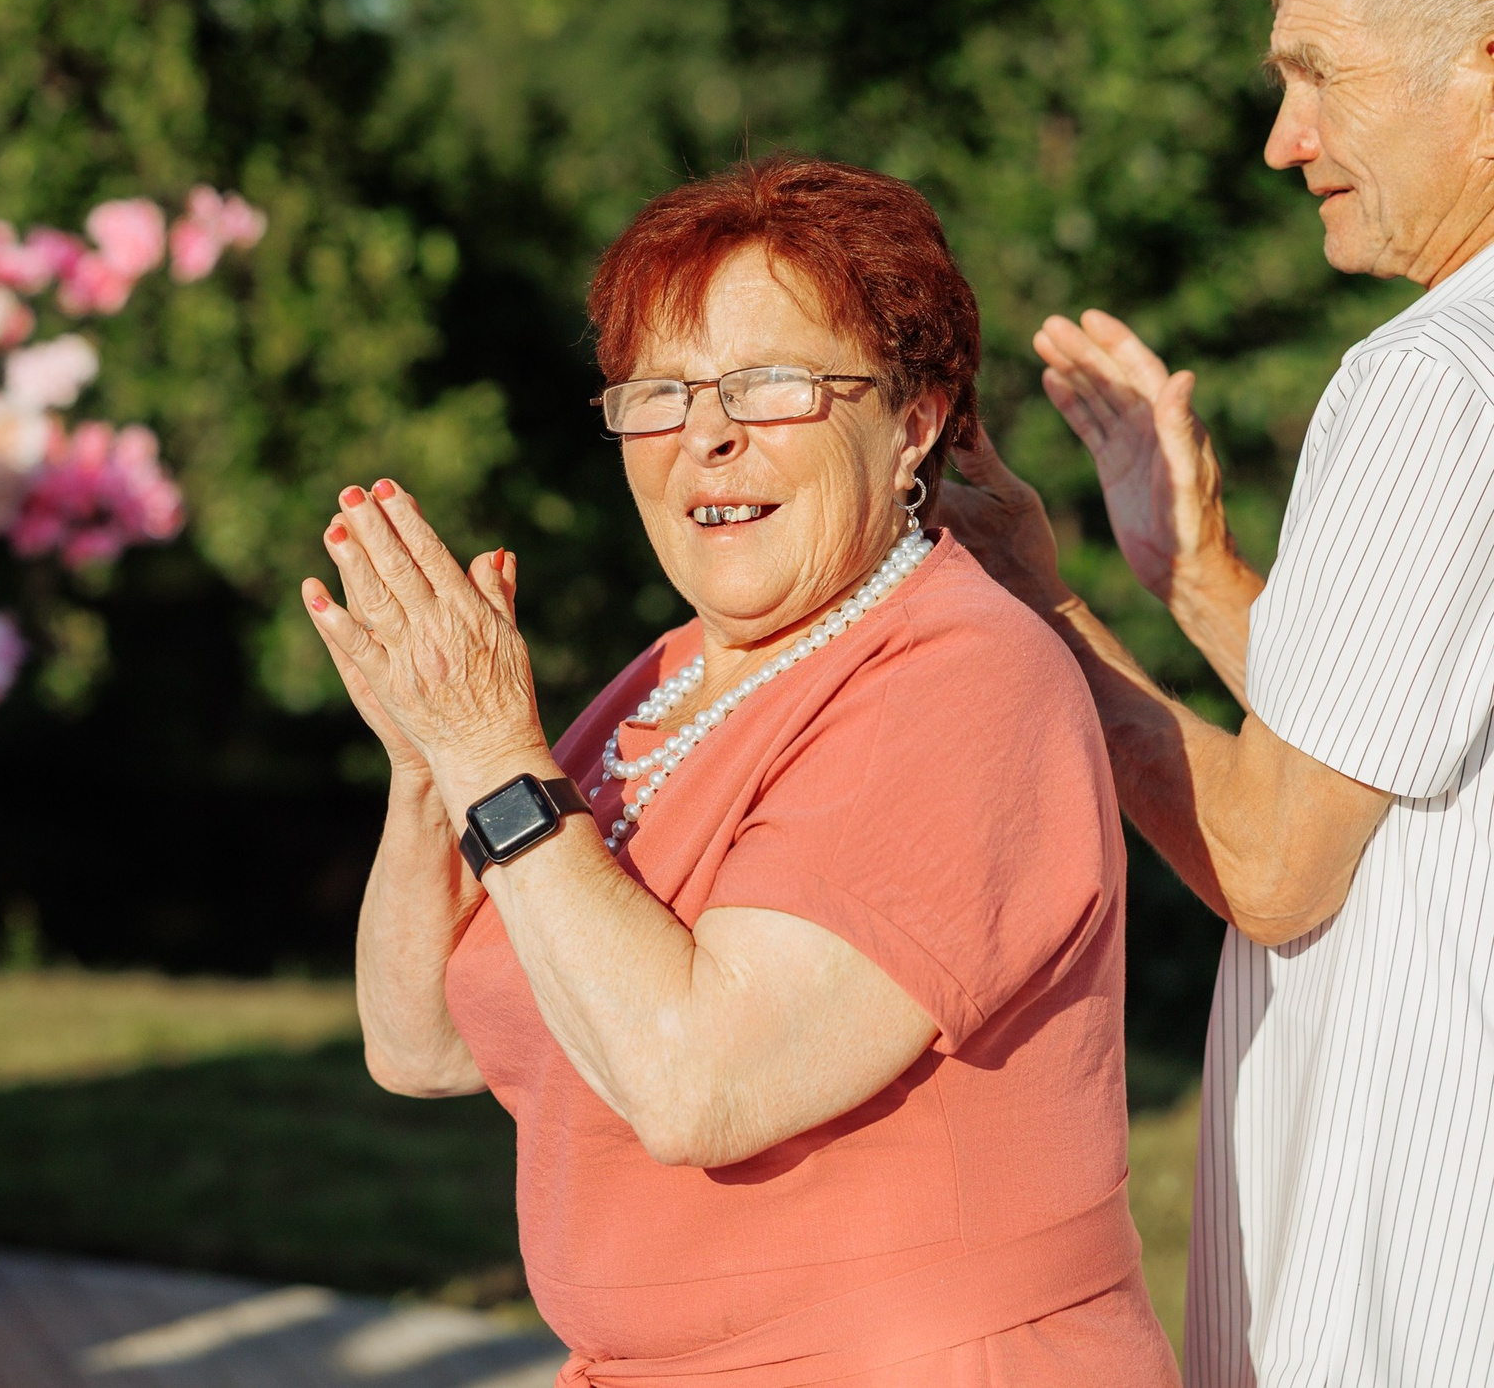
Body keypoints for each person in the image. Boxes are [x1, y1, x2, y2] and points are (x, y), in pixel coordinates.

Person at [307, 155, 1177, 1386]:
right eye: (656, 394)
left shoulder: (962, 678)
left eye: (770, 386)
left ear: (913, 418)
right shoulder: (656, 684)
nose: (706, 435)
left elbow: (700, 1082)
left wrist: (492, 753)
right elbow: (423, 1043)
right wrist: (424, 762)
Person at [940, 0, 1494, 1384]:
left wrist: (1035, 610)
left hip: (1423, 1278)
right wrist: (1193, 576)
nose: (1281, 140)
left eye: (1316, 74)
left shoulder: (1432, 380)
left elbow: (1275, 859)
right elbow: (1406, 755)